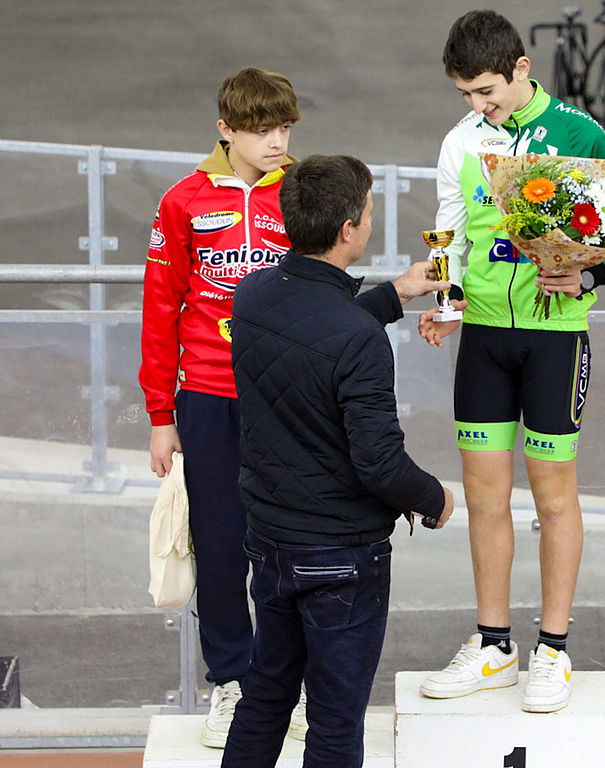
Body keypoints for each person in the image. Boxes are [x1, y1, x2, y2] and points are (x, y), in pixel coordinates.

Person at [416, 10, 605, 714]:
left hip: (555, 336)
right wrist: (449, 302)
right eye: (465, 94)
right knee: (485, 496)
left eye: (486, 91)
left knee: (553, 498)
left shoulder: (577, 132)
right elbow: (448, 230)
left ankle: (553, 648)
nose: (477, 106)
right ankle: (494, 645)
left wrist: (589, 276)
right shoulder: (460, 140)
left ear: (521, 68)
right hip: (485, 337)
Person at [222, 154, 455, 768]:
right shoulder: (358, 341)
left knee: (265, 695)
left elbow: (313, 333)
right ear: (349, 229)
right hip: (341, 555)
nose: (371, 222)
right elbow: (380, 464)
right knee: (334, 720)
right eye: (369, 213)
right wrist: (434, 498)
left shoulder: (253, 294)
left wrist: (395, 294)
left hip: (270, 538)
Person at [138, 67, 306, 748]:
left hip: (286, 398)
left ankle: (284, 682)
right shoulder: (182, 201)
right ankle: (232, 681)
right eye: (261, 130)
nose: (277, 142)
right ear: (225, 131)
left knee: (290, 544)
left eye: (285, 128)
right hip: (206, 398)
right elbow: (159, 311)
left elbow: (323, 293)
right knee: (219, 544)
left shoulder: (302, 193)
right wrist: (160, 415)